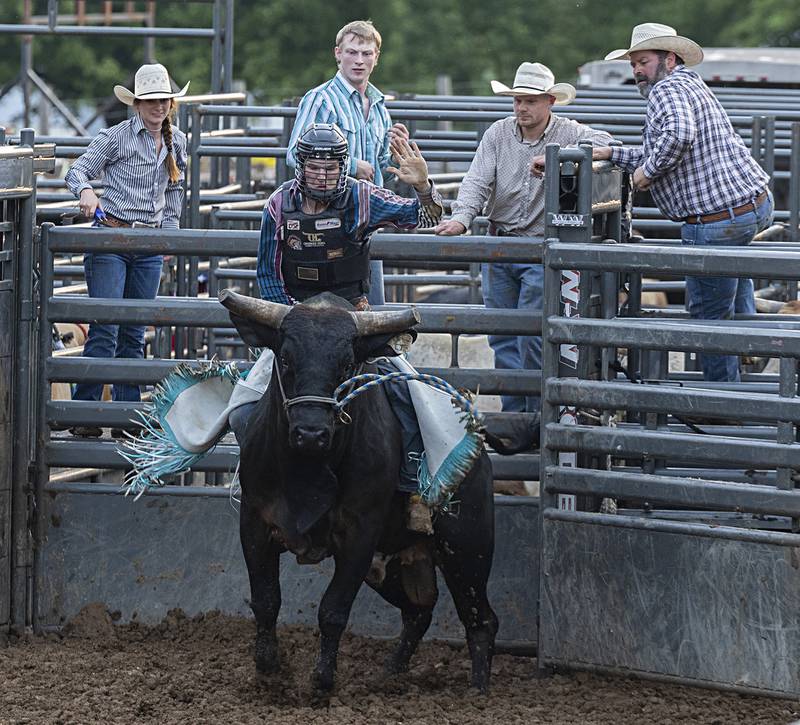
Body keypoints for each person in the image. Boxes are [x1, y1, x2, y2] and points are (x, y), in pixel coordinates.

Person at [592, 23, 773, 383]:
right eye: (633, 64)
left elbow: (678, 136)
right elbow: (671, 142)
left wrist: (645, 174)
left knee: (708, 317)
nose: (637, 70)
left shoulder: (666, 89)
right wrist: (613, 153)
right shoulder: (688, 83)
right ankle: (749, 357)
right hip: (750, 205)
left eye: (643, 61)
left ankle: (725, 402)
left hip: (717, 220)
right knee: (731, 303)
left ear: (669, 60)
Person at [435, 62, 613, 414]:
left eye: (530, 101)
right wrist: (462, 217)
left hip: (538, 247)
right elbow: (476, 180)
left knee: (531, 334)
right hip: (500, 242)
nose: (521, 108)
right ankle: (515, 416)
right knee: (502, 334)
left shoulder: (568, 132)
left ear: (550, 102)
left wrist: (560, 159)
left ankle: (534, 417)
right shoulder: (498, 133)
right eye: (517, 100)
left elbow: (605, 142)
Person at [64, 63, 189, 437]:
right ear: (136, 104)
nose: (157, 106)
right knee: (106, 326)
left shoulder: (176, 141)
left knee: (134, 331)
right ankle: (85, 414)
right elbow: (77, 170)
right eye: (149, 100)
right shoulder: (116, 137)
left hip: (149, 242)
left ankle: (126, 416)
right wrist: (86, 192)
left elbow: (175, 190)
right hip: (112, 238)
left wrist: (169, 232)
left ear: (170, 102)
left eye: (162, 100)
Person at [286, 19, 410, 306]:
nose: (359, 60)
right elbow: (295, 154)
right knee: (327, 316)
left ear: (376, 58)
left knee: (373, 314)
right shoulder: (322, 99)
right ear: (337, 54)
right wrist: (351, 166)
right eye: (352, 52)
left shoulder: (379, 106)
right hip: (323, 225)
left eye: (366, 53)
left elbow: (381, 170)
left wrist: (396, 155)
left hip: (365, 223)